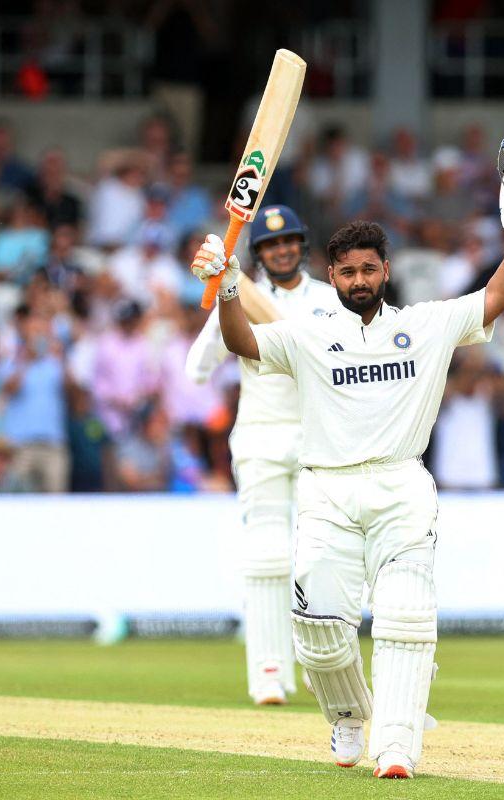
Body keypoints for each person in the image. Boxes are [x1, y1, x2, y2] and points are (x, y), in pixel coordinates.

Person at [190, 119, 504, 779]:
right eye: (348, 270)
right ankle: (346, 715)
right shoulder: (307, 333)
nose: (360, 278)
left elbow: (499, 295)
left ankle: (396, 746)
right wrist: (227, 286)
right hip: (327, 492)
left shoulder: (425, 325)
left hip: (400, 487)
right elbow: (243, 343)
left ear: (386, 271)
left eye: (370, 268)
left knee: (404, 614)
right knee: (317, 633)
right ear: (332, 276)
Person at [184, 205, 342, 706]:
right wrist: (220, 298)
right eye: (270, 246)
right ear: (259, 254)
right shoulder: (241, 296)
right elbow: (195, 371)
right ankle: (269, 672)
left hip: (320, 440)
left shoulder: (330, 299)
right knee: (268, 556)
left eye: (288, 241)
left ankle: (323, 667)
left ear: (302, 245)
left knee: (321, 559)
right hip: (260, 437)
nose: (280, 250)